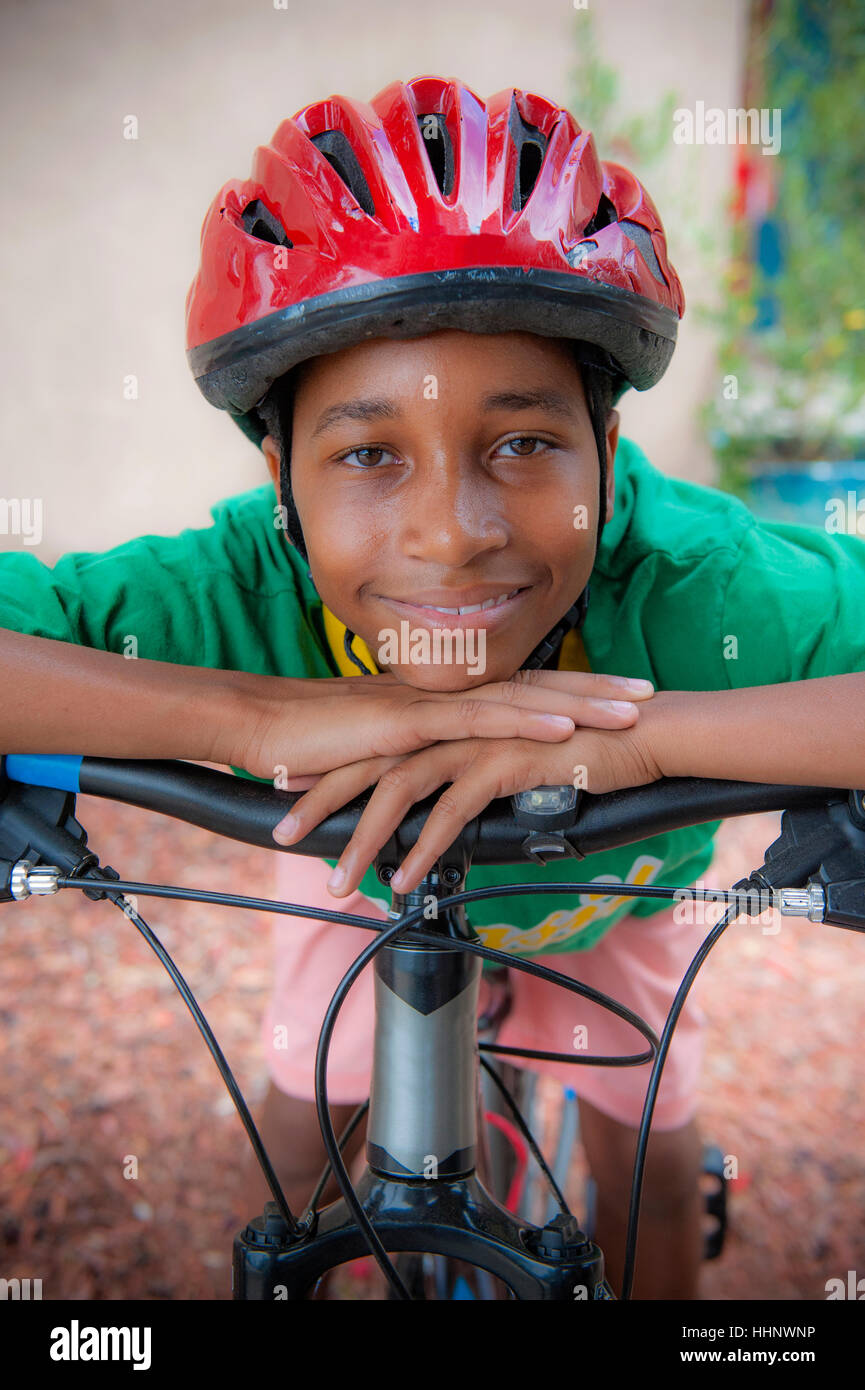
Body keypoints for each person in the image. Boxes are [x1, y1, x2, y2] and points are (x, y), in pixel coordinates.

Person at [3, 76, 864, 1300]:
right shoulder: (236, 587)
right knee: (302, 1147)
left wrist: (641, 740)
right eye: (364, 455)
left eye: (522, 443)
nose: (451, 536)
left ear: (607, 457)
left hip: (610, 903)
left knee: (650, 1167)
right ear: (280, 477)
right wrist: (253, 714)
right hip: (361, 873)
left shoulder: (698, 587)